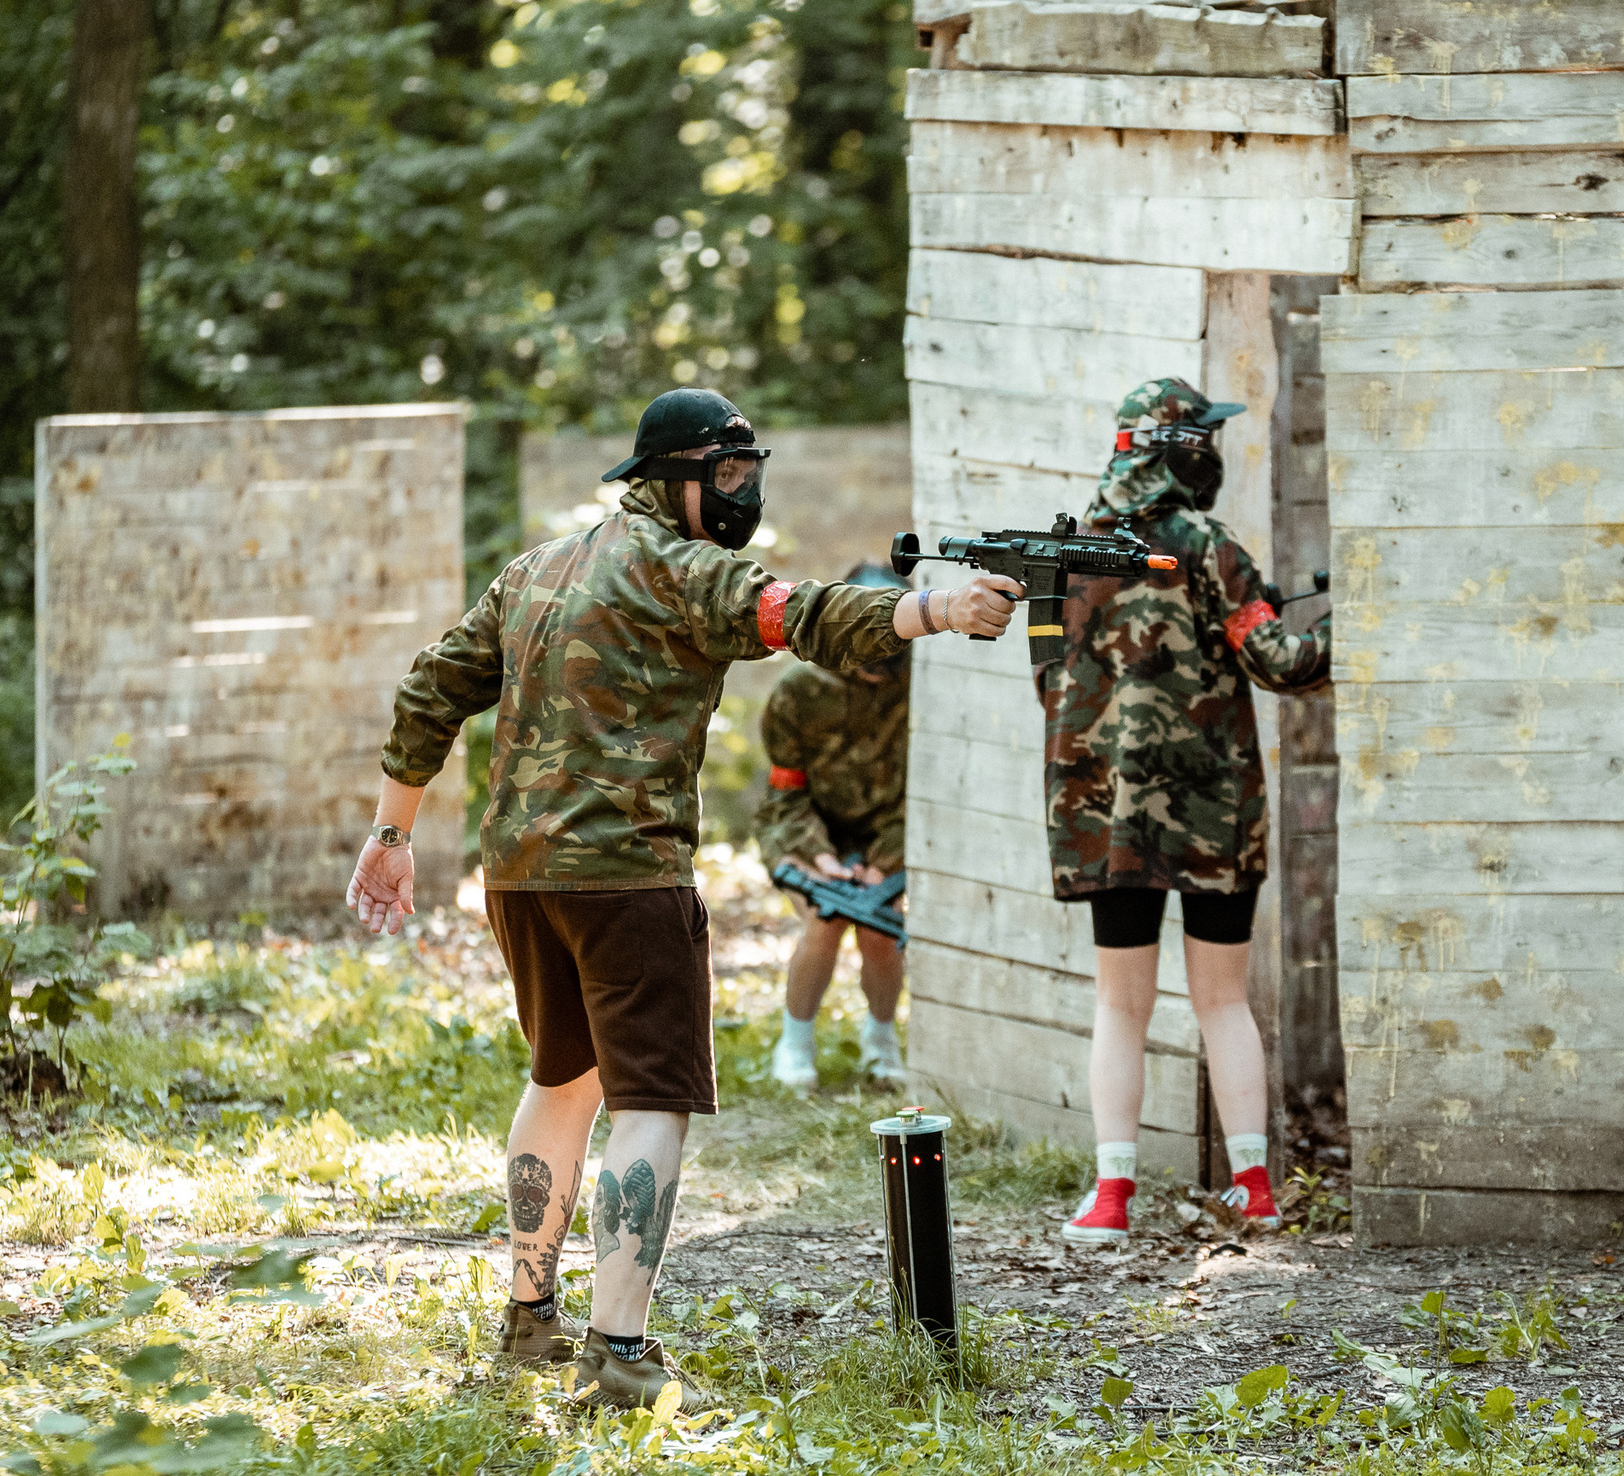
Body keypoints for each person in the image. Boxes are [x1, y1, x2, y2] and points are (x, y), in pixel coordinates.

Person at [344, 387, 1020, 1408]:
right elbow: (808, 615)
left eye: (752, 474)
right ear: (673, 479)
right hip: (626, 875)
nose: (744, 495)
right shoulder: (683, 568)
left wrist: (393, 830)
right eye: (729, 477)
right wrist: (936, 608)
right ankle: (619, 1351)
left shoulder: (535, 568)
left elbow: (431, 684)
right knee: (649, 1101)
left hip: (521, 875)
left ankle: (528, 1319)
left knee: (563, 1078)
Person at [1038, 378, 1330, 1245]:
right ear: (1184, 450)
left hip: (1107, 813)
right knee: (1223, 1000)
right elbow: (1277, 661)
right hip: (1215, 812)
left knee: (1119, 1005)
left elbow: (1047, 680)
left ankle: (1111, 1197)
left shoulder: (1065, 551)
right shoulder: (1209, 546)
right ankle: (1255, 1189)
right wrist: (1354, 634)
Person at [756, 563, 912, 1091]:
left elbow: (923, 792)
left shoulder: (921, 687)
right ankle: (794, 1044)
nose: (880, 670)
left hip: (890, 835)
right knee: (825, 919)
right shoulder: (800, 688)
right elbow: (786, 792)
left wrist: (886, 864)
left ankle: (881, 1042)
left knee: (878, 928)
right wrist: (819, 857)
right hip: (808, 828)